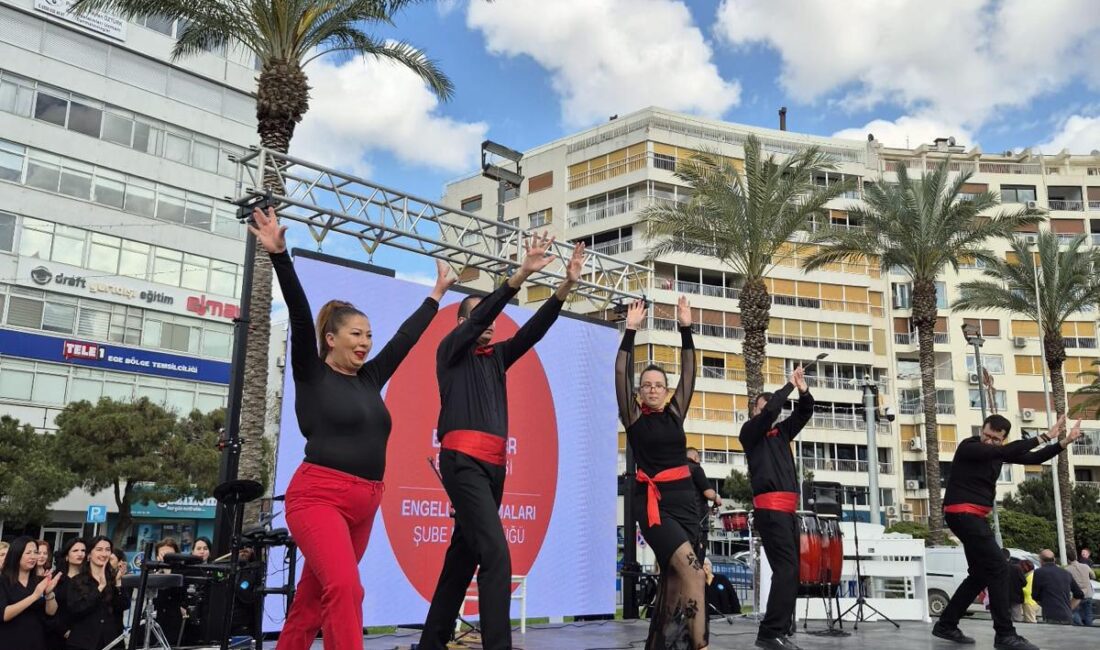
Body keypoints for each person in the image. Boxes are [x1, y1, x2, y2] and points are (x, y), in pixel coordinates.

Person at [250, 205, 455, 650]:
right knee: (347, 589)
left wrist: (436, 293)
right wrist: (281, 257)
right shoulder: (311, 372)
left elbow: (405, 339)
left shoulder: (369, 378)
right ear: (331, 339)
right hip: (318, 496)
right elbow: (302, 316)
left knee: (311, 602)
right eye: (356, 335)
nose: (366, 343)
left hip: (366, 501)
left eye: (368, 336)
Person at [416, 234, 586, 650]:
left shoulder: (497, 360)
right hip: (462, 462)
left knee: (463, 556)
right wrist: (521, 275)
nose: (490, 323)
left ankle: (431, 643)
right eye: (480, 317)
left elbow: (533, 333)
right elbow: (480, 316)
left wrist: (564, 288)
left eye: (492, 319)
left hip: (493, 468)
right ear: (462, 324)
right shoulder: (449, 352)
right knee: (496, 554)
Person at [934, 415, 1082, 650]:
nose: (989, 441)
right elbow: (999, 452)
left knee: (980, 574)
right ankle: (1004, 634)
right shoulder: (970, 447)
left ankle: (946, 624)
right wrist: (1044, 436)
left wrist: (1063, 443)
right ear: (982, 429)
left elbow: (1033, 457)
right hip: (963, 514)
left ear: (1003, 438)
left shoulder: (998, 452)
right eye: (987, 435)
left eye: (996, 439)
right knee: (1000, 568)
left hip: (972, 518)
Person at [613, 296, 707, 650]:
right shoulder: (633, 419)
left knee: (673, 580)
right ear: (638, 394)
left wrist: (686, 328)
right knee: (694, 573)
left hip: (686, 504)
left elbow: (690, 371)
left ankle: (660, 646)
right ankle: (702, 645)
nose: (652, 389)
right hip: (653, 506)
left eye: (658, 385)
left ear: (666, 392)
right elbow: (621, 373)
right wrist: (630, 331)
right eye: (646, 385)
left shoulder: (675, 413)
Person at [740, 366, 814, 650]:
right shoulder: (750, 434)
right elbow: (771, 410)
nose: (769, 411)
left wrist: (802, 388)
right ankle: (769, 633)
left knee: (790, 571)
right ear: (755, 412)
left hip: (787, 512)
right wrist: (787, 387)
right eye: (762, 407)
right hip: (770, 510)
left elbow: (805, 412)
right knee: (786, 570)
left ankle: (778, 629)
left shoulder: (782, 434)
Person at [64, 536, 128, 650]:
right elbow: (76, 609)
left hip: (111, 642)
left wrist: (118, 583)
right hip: (83, 643)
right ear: (89, 555)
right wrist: (100, 588)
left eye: (107, 550)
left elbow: (123, 606)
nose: (104, 554)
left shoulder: (113, 579)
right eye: (99, 549)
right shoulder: (76, 581)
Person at [0, 536, 63, 650]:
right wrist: (34, 596)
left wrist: (49, 594)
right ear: (17, 554)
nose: (33, 556)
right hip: (9, 641)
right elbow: (4, 614)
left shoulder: (39, 581)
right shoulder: (3, 580)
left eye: (35, 552)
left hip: (36, 640)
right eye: (28, 552)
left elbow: (51, 612)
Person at [49, 538, 88, 650]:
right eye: (75, 551)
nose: (80, 554)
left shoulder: (90, 579)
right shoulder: (56, 578)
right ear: (67, 556)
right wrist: (64, 631)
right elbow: (49, 612)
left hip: (84, 636)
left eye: (83, 550)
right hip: (58, 635)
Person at [686, 447, 722, 562]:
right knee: (697, 563)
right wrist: (717, 497)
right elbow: (709, 493)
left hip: (682, 524)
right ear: (696, 457)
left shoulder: (680, 470)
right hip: (698, 525)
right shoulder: (696, 468)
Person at [1032, 549, 1083, 624]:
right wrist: (1069, 608)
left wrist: (1043, 603)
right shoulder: (1066, 573)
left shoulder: (1039, 572)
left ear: (1041, 560)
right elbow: (1079, 594)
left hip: (1050, 615)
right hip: (1067, 615)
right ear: (1054, 559)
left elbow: (1035, 595)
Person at [1065, 550, 1094, 626]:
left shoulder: (1067, 570)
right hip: (1088, 593)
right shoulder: (1085, 566)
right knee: (1088, 613)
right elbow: (1093, 576)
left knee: (1074, 611)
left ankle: (1080, 626)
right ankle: (1089, 628)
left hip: (1076, 595)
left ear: (1068, 559)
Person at [1005, 549, 1027, 623]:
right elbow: (1024, 582)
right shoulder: (1016, 568)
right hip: (1016, 596)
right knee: (1017, 618)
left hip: (1002, 597)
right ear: (1009, 557)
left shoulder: (997, 568)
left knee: (1005, 618)